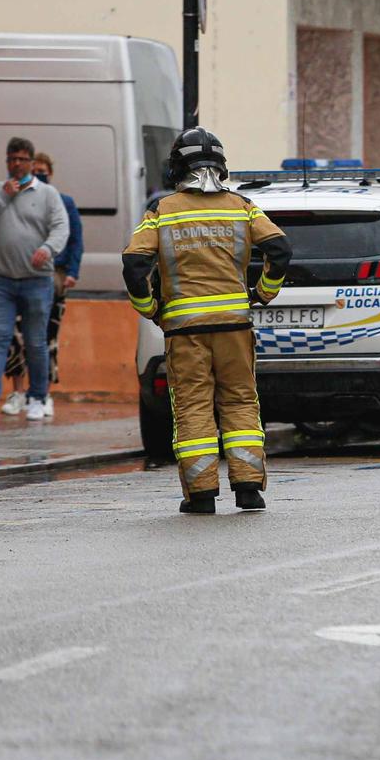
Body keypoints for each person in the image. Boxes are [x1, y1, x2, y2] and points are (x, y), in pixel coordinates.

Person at [123, 128, 292, 514]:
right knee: (240, 402)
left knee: (194, 406)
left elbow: (134, 264)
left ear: (178, 165)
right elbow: (280, 249)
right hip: (235, 325)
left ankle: (201, 495)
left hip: (185, 331)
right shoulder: (242, 206)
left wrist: (150, 309)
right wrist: (264, 292)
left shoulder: (161, 211)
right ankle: (248, 488)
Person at [0, 136, 69, 422]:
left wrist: (47, 249)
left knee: (35, 342)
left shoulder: (48, 194)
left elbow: (62, 228)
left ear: (32, 163)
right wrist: (3, 196)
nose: (16, 164)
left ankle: (37, 397)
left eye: (22, 159)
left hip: (37, 280)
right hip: (0, 280)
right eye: (11, 159)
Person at [1, 151, 83, 415]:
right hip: (20, 274)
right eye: (33, 169)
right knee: (16, 335)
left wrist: (71, 271)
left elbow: (75, 239)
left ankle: (43, 393)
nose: (38, 174)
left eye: (42, 170)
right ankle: (17, 391)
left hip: (53, 274)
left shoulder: (64, 202)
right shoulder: (15, 199)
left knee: (46, 337)